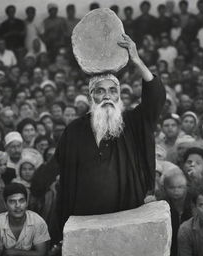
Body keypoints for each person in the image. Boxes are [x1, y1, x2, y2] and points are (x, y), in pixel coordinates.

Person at [52, 33, 166, 231]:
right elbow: (60, 171)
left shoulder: (132, 122)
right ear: (91, 96)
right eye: (100, 91)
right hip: (84, 219)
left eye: (113, 90)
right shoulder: (75, 130)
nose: (107, 96)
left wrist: (137, 61)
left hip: (127, 215)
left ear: (119, 96)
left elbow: (154, 100)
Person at [0, 183, 50, 256]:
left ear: (27, 203)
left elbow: (41, 254)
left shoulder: (38, 221)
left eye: (21, 201)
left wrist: (13, 252)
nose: (18, 205)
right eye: (12, 201)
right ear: (5, 205)